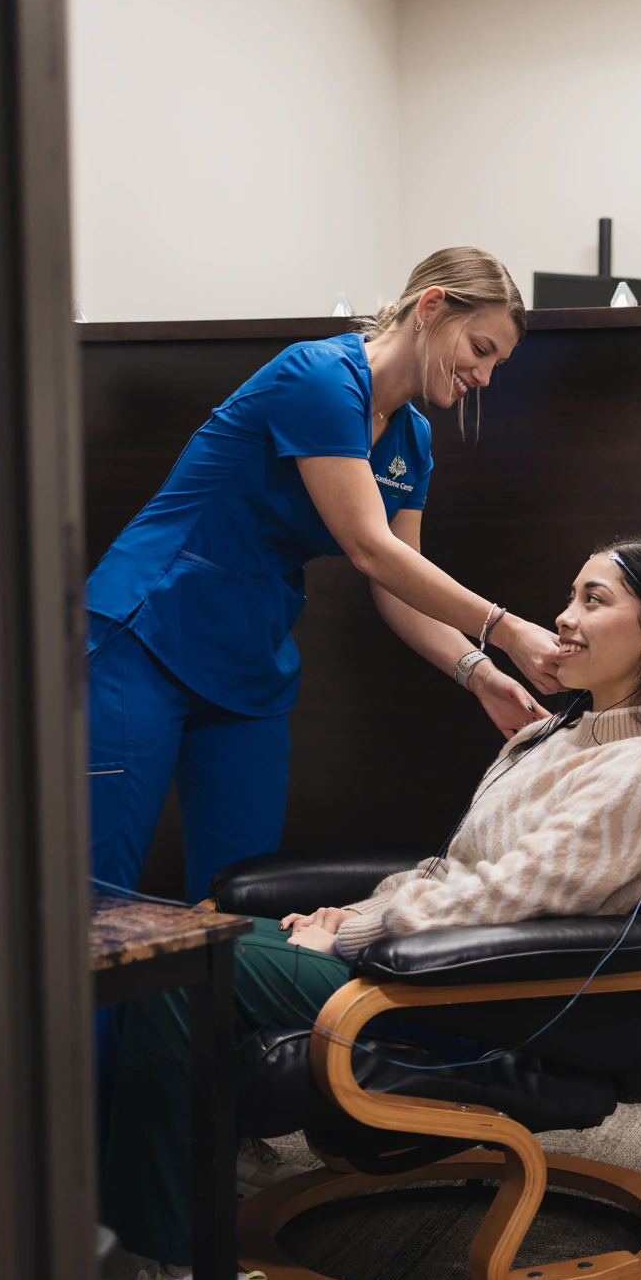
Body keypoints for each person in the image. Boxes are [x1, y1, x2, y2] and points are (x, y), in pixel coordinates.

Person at [101, 538, 641, 1280]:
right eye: (569, 596)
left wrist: (360, 932)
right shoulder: (548, 738)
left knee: (177, 973)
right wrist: (355, 910)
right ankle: (138, 1227)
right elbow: (453, 867)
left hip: (473, 1000)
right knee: (178, 942)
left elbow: (511, 899)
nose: (564, 619)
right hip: (419, 959)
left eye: (593, 600)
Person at [87, 247, 563, 907]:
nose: (483, 375)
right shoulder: (319, 377)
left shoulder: (412, 439)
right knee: (96, 896)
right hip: (143, 634)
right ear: (430, 308)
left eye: (497, 364)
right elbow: (370, 549)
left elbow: (402, 585)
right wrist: (505, 631)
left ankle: (214, 1015)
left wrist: (479, 674)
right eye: (479, 348)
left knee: (240, 900)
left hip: (247, 659)